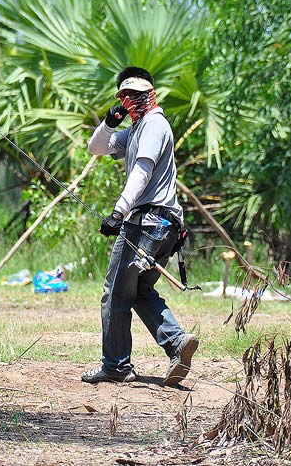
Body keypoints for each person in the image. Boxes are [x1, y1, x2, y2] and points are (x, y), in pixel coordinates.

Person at [82, 66, 198, 386]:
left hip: (145, 223)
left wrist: (119, 212)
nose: (130, 101)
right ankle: (177, 342)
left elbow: (142, 171)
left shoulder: (153, 124)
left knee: (114, 294)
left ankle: (116, 366)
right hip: (167, 227)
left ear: (150, 93)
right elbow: (96, 148)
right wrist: (108, 124)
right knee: (140, 290)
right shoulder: (133, 131)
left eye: (135, 95)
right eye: (124, 96)